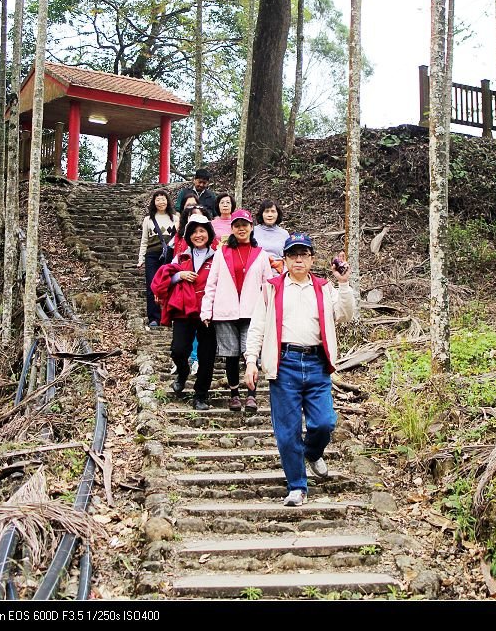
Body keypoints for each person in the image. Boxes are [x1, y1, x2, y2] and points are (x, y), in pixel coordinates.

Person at [244, 233, 353, 507]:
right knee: (287, 431)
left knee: (324, 422)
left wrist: (343, 283)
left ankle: (312, 452)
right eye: (293, 255)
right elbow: (257, 327)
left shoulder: (324, 287)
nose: (299, 260)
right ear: (286, 259)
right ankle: (297, 486)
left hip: (317, 363)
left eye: (304, 254)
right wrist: (250, 361)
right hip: (284, 363)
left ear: (312, 259)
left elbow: (346, 314)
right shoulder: (272, 288)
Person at [201, 209, 273, 413]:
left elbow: (267, 286)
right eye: (237, 225)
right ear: (232, 228)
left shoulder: (261, 254)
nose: (241, 229)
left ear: (251, 227)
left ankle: (251, 395)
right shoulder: (221, 253)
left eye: (245, 225)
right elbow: (211, 283)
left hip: (252, 312)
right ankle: (234, 394)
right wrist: (206, 310)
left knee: (251, 354)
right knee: (231, 355)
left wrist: (269, 313)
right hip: (225, 311)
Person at [151, 214, 217, 410]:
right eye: (194, 231)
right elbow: (165, 278)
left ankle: (201, 395)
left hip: (208, 313)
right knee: (178, 350)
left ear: (209, 233)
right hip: (184, 310)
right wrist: (179, 275)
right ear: (188, 235)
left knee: (207, 356)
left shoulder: (218, 256)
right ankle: (182, 371)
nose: (198, 235)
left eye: (202, 231)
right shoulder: (181, 256)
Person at [137, 189, 176, 328]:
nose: (161, 202)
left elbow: (178, 239)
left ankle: (169, 316)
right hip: (152, 255)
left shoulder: (175, 218)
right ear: (154, 202)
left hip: (170, 255)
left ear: (168, 201)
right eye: (158, 199)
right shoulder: (148, 219)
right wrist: (141, 258)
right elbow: (144, 240)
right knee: (152, 286)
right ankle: (154, 317)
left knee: (169, 285)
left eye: (163, 199)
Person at [253, 199, 290, 274]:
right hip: (256, 271)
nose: (270, 215)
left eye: (273, 211)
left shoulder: (284, 234)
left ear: (277, 214)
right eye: (266, 211)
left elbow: (288, 257)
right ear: (261, 214)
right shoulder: (253, 231)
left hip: (278, 272)